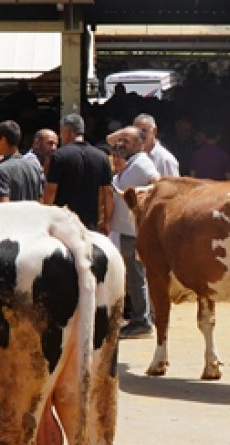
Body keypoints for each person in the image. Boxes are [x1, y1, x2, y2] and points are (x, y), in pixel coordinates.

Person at [106, 126, 160, 338]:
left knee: (137, 278)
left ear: (139, 143)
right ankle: (137, 317)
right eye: (120, 141)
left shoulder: (143, 163)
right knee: (131, 276)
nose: (120, 145)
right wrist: (122, 134)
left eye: (126, 141)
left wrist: (142, 202)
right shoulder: (131, 162)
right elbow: (109, 139)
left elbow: (157, 183)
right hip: (123, 230)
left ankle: (142, 321)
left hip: (133, 231)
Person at [45, 113, 113, 230]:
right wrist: (107, 221)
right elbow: (108, 193)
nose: (61, 136)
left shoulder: (59, 156)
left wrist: (45, 218)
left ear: (69, 132)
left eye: (61, 132)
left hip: (63, 223)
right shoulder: (102, 157)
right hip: (90, 223)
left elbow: (51, 191)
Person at [0, 120, 43, 203]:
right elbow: (40, 200)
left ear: (3, 139)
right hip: (33, 215)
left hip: (14, 216)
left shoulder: (1, 169)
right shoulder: (35, 167)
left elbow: (4, 204)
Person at [133, 113, 180, 178]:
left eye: (144, 130)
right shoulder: (131, 156)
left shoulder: (166, 160)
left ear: (154, 131)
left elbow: (174, 187)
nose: (140, 135)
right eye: (136, 131)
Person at [23, 128, 58, 195]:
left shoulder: (45, 162)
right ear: (36, 143)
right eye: (50, 143)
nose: (54, 148)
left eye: (56, 144)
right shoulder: (30, 162)